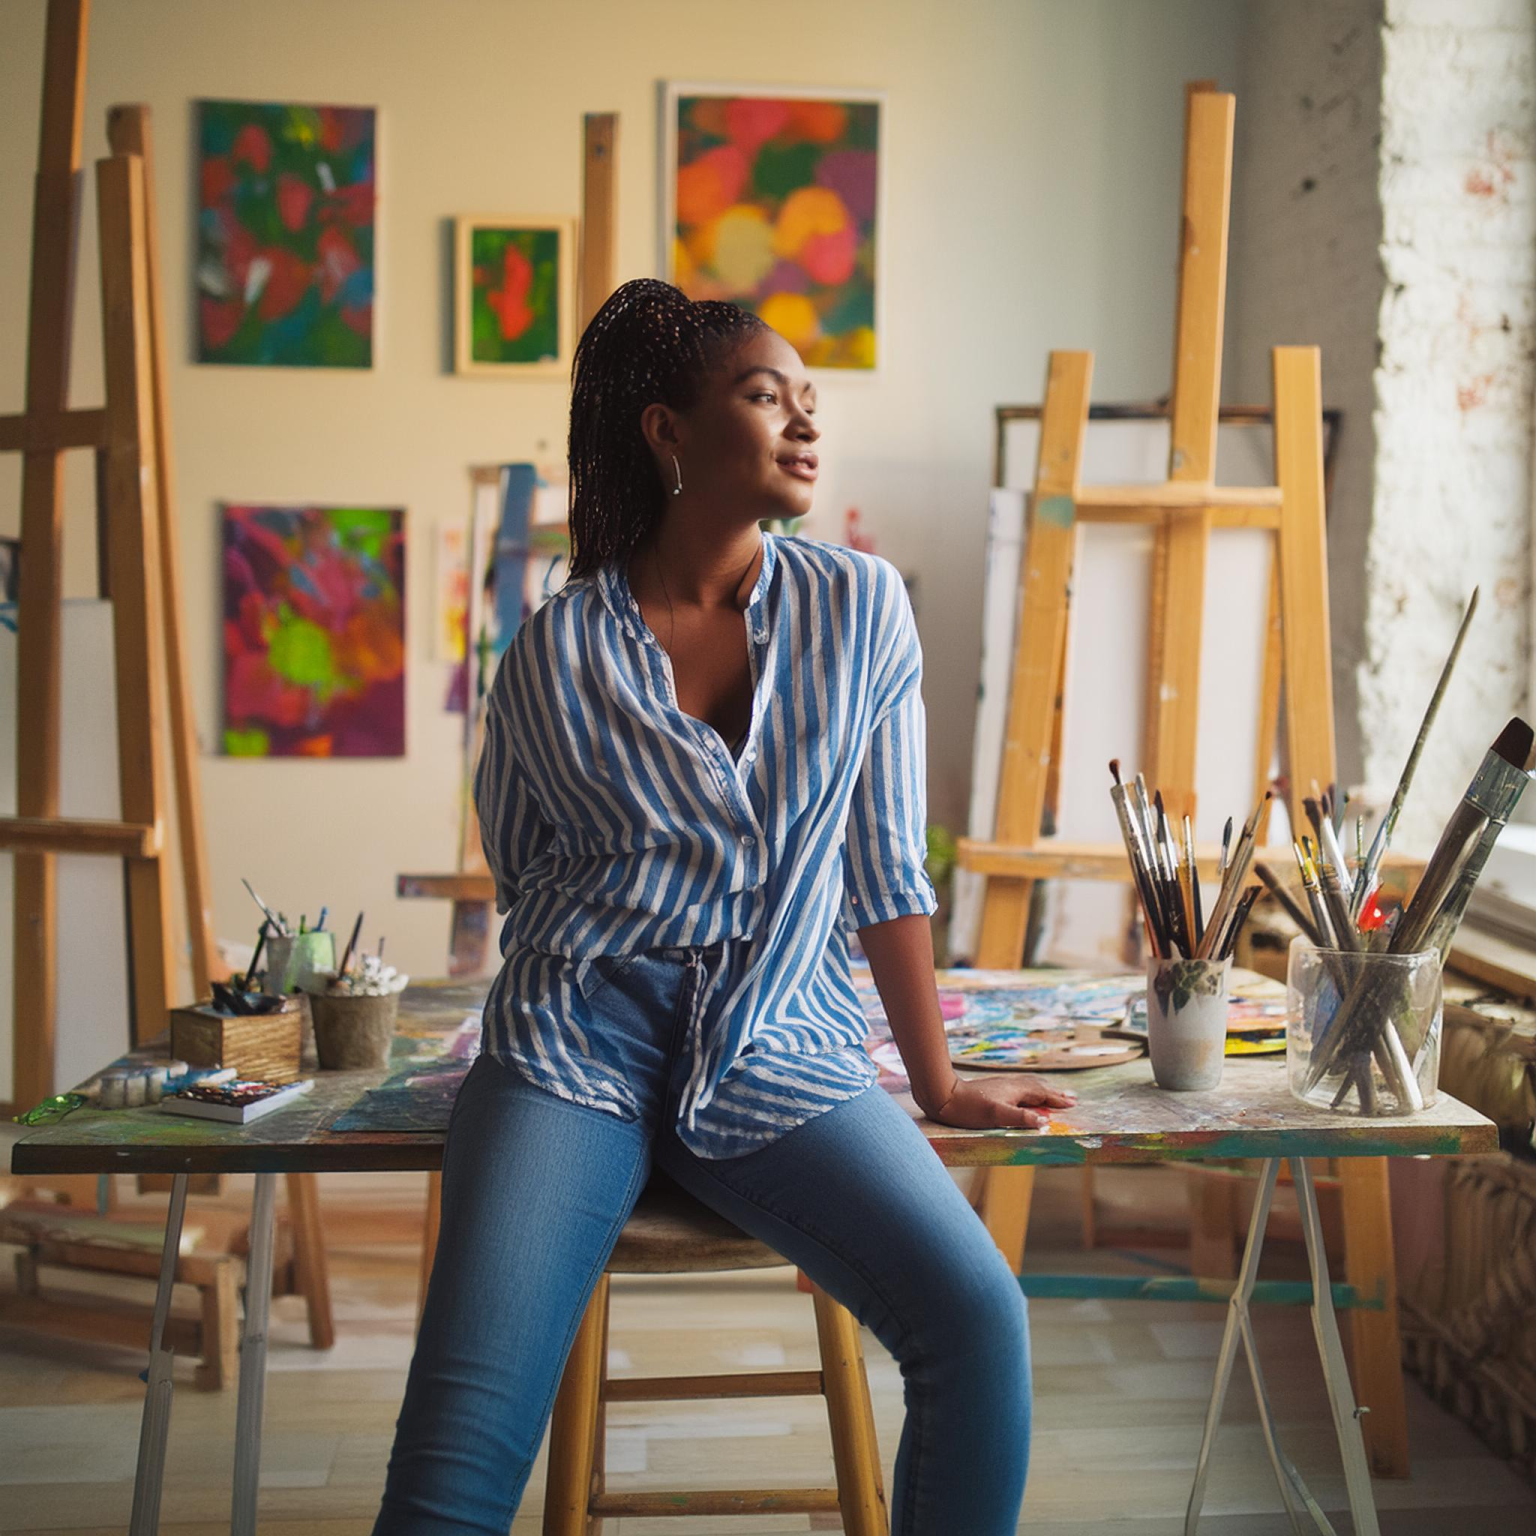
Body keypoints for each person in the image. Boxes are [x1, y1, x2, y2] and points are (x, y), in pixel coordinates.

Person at [372, 279, 1075, 1535]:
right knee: (460, 1446)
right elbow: (525, 865)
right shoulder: (557, 651)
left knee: (977, 1319)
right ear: (668, 430)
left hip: (777, 1041)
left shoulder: (863, 612)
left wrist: (940, 1079)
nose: (805, 423)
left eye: (813, 402)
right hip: (572, 1046)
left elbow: (886, 867)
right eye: (766, 397)